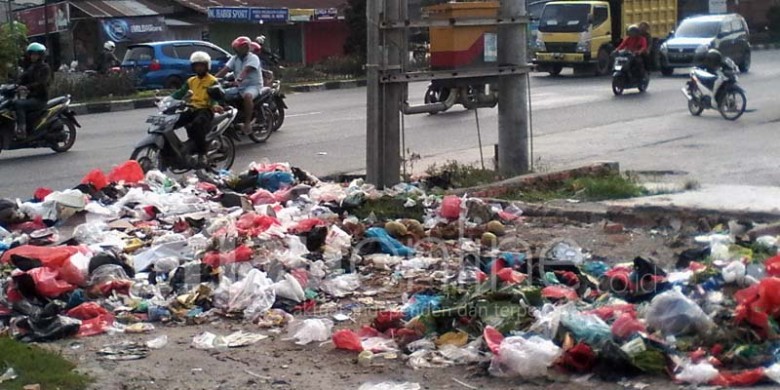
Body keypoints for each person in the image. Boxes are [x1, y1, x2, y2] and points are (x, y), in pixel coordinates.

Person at [169, 51, 223, 168]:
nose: (199, 68)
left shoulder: (212, 81)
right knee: (170, 121)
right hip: (191, 109)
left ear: (206, 66)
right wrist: (166, 100)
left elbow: (215, 96)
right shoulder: (191, 81)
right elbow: (179, 93)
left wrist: (215, 105)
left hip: (205, 110)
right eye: (196, 65)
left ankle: (202, 153)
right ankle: (175, 151)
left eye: (201, 65)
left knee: (197, 125)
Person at [216, 36, 263, 135]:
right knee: (221, 94)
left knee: (247, 96)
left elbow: (246, 70)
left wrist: (239, 80)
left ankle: (247, 123)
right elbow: (224, 70)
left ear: (246, 48)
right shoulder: (235, 58)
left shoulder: (253, 58)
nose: (237, 51)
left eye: (239, 48)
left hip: (253, 86)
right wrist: (212, 80)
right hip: (240, 87)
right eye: (236, 49)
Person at [15, 42, 51, 139]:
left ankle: (22, 130)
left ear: (40, 55)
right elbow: (22, 78)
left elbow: (41, 83)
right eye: (32, 54)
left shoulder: (45, 68)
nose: (33, 56)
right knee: (12, 103)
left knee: (19, 104)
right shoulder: (31, 67)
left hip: (40, 98)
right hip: (31, 97)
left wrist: (27, 87)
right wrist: (14, 84)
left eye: (35, 54)